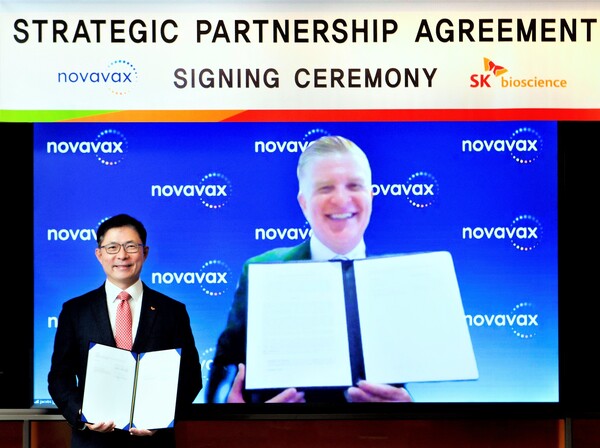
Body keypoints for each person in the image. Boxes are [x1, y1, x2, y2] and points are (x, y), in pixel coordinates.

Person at [206, 135, 412, 404]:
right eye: (325, 188)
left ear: (371, 195)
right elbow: (224, 374)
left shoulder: (397, 281)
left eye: (354, 185)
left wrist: (407, 412)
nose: (341, 199)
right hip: (277, 432)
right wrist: (234, 413)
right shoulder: (261, 271)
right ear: (304, 203)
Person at [48, 213, 202, 448]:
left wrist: (162, 419)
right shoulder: (75, 311)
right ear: (99, 254)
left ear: (145, 252)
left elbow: (191, 377)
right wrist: (81, 413)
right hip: (93, 442)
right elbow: (59, 377)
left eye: (131, 246)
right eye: (112, 247)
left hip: (154, 442)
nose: (122, 255)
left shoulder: (172, 311)